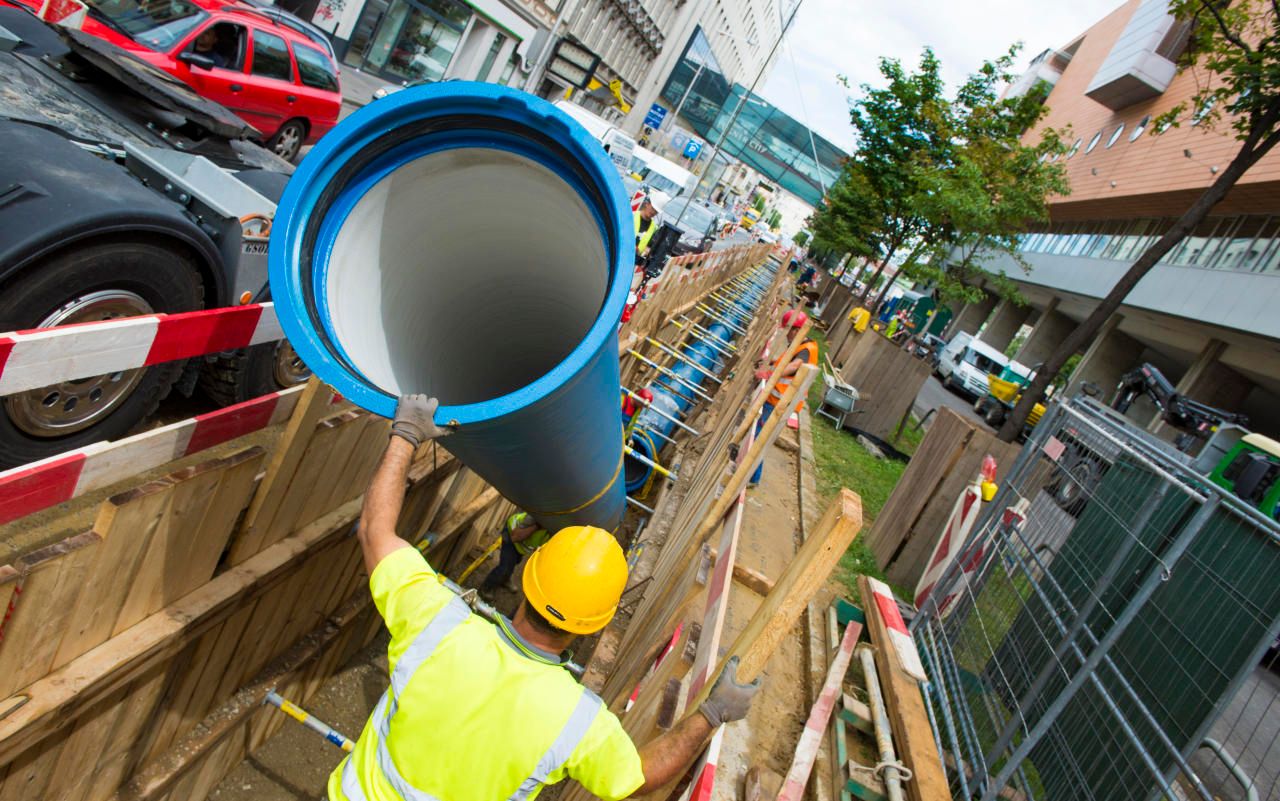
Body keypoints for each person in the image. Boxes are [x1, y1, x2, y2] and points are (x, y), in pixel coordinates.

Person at [332, 394, 762, 801]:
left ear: (526, 580)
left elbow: (375, 532)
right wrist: (711, 714)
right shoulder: (577, 722)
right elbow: (636, 779)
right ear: (596, 623)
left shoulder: (435, 622)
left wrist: (405, 435)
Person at [749, 312, 819, 487]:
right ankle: (751, 476)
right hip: (775, 400)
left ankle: (753, 478)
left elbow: (795, 365)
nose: (786, 334)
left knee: (759, 438)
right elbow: (787, 361)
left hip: (779, 403)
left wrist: (769, 373)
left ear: (795, 330)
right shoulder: (800, 344)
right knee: (757, 435)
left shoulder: (806, 348)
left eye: (788, 330)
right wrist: (772, 362)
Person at [479, 509, 549, 596]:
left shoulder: (554, 530)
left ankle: (505, 579)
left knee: (514, 562)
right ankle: (486, 589)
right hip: (511, 534)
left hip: (521, 546)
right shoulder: (535, 517)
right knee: (505, 567)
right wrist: (537, 526)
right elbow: (514, 537)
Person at [634, 193, 666, 265]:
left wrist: (648, 250)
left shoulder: (654, 227)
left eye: (656, 211)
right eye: (652, 208)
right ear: (647, 204)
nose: (653, 212)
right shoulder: (632, 216)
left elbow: (650, 245)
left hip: (635, 261)